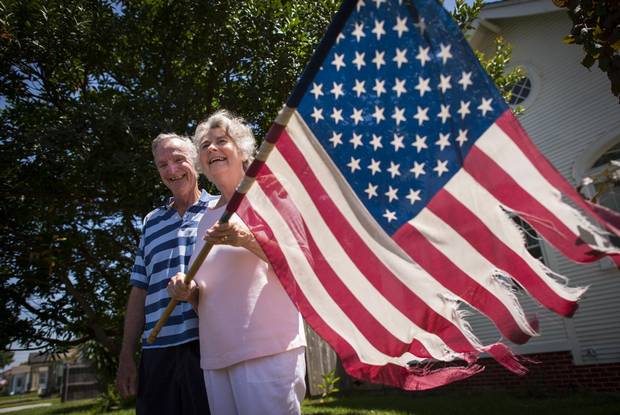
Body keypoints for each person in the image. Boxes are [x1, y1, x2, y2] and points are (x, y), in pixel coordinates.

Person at [167, 110, 307, 415]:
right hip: (216, 355)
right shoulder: (205, 219)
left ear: (242, 150)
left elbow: (302, 264)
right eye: (205, 145)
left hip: (267, 348)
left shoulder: (272, 194)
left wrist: (247, 239)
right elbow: (204, 294)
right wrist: (186, 290)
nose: (212, 148)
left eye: (221, 141)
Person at [116, 133, 211, 415]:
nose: (171, 170)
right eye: (162, 164)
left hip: (208, 346)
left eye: (179, 160)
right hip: (156, 351)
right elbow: (139, 290)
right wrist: (126, 355)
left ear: (195, 161)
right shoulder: (151, 222)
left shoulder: (221, 210)